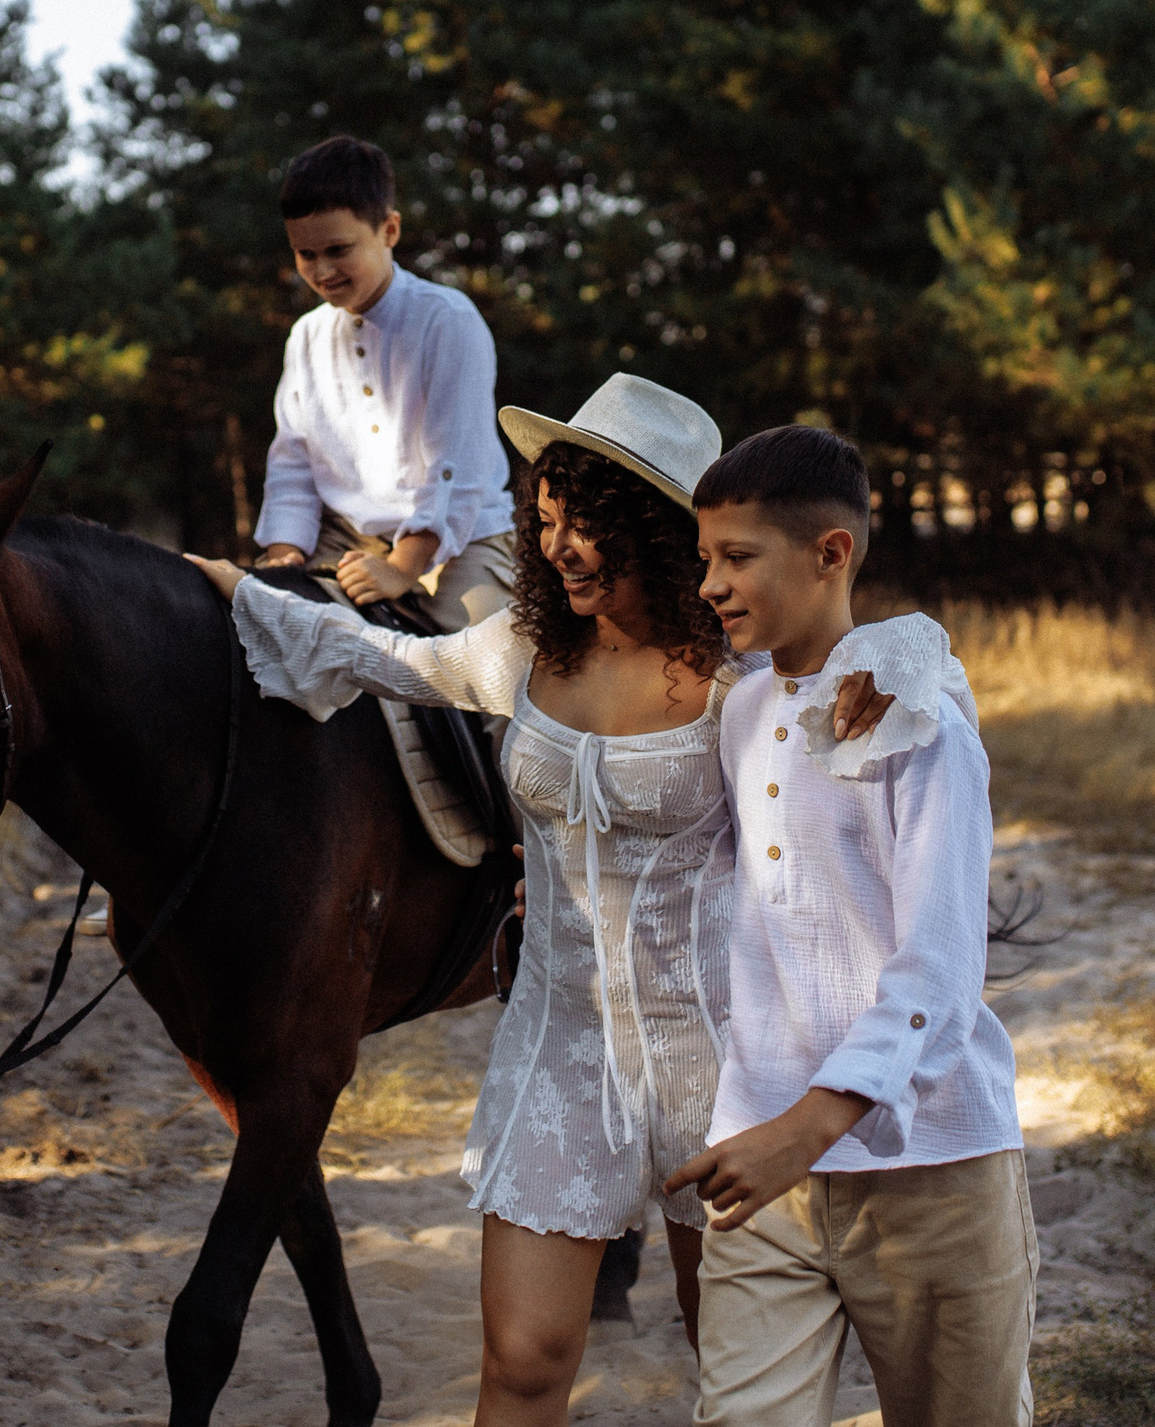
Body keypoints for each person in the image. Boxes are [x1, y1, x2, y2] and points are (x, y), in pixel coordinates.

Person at [187, 376, 902, 1427]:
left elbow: (870, 704)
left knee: (741, 1373)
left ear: (659, 533)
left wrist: (898, 671)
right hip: (561, 1051)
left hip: (724, 1059)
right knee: (522, 1364)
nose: (560, 547)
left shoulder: (744, 674)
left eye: (588, 527)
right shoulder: (525, 653)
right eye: (548, 521)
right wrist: (238, 593)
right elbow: (392, 659)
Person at [667, 425, 1034, 1427]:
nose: (710, 584)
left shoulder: (915, 716)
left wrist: (813, 1126)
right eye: (705, 560)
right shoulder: (740, 713)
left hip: (934, 1172)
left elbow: (942, 963)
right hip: (761, 1171)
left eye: (736, 558)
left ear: (831, 553)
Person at [251, 135, 516, 631]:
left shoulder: (447, 320)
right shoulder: (306, 337)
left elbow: (454, 468)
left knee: (469, 661)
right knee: (268, 626)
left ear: (389, 230)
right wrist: (286, 550)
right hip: (346, 535)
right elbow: (293, 461)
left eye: (338, 249)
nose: (322, 270)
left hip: (460, 537)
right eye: (305, 254)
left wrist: (402, 568)